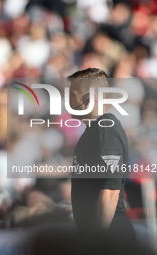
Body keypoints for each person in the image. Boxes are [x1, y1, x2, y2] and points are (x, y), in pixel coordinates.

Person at [68, 68, 135, 243]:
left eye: (72, 95)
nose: (67, 100)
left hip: (111, 240)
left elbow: (110, 191)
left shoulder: (106, 129)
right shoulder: (93, 131)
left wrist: (97, 243)